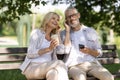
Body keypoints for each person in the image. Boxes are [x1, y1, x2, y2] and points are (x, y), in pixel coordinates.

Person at [60, 7, 114, 80]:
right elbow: (65, 50)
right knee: (80, 78)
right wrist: (67, 31)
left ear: (78, 15)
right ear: (66, 20)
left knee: (109, 77)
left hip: (91, 64)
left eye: (74, 15)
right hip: (74, 66)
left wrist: (89, 51)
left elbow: (99, 52)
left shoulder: (90, 31)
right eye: (68, 17)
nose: (72, 18)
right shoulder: (63, 34)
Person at [19, 12, 69, 80]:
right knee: (59, 63)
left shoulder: (53, 36)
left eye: (57, 20)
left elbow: (61, 51)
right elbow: (30, 54)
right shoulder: (37, 33)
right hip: (33, 67)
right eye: (53, 18)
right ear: (47, 19)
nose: (56, 21)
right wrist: (48, 49)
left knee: (53, 73)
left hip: (49, 67)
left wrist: (58, 34)